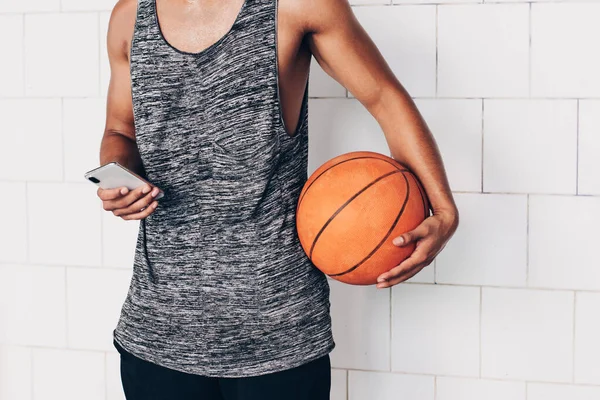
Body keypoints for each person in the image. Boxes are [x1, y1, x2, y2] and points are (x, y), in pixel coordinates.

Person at [97, 0, 459, 398]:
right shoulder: (130, 17)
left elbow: (384, 98)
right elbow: (120, 128)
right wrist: (119, 175)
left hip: (279, 334)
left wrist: (442, 209)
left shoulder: (298, 5)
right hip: (157, 331)